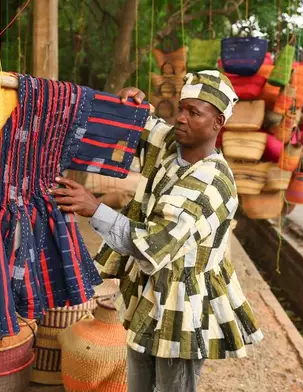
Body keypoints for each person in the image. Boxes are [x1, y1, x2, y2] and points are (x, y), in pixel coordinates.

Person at [50, 70, 263, 391]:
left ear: (218, 123)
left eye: (194, 113)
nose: (181, 118)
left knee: (171, 385)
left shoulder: (209, 184)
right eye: (181, 108)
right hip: (151, 295)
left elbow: (152, 243)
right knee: (138, 380)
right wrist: (131, 102)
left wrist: (94, 208)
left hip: (184, 304)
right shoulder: (171, 144)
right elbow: (142, 126)